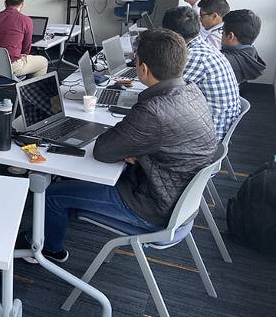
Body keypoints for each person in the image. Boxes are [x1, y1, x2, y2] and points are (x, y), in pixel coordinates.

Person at [28, 29, 217, 262]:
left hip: (152, 205)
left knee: (52, 195)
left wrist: (135, 151)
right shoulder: (192, 91)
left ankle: (49, 251)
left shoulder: (153, 111)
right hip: (176, 196)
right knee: (83, 179)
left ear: (143, 69)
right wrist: (139, 152)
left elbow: (103, 151)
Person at [162, 6, 241, 140]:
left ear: (170, 34)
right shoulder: (203, 48)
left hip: (207, 136)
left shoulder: (193, 57)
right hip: (216, 124)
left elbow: (165, 94)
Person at [0, 0, 48, 78]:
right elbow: (26, 48)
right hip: (9, 68)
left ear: (5, 3)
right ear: (22, 5)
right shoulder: (26, 20)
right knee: (43, 62)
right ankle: (30, 87)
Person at [221, 9, 266, 83]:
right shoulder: (251, 51)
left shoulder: (224, 62)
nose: (221, 34)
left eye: (222, 31)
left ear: (231, 36)